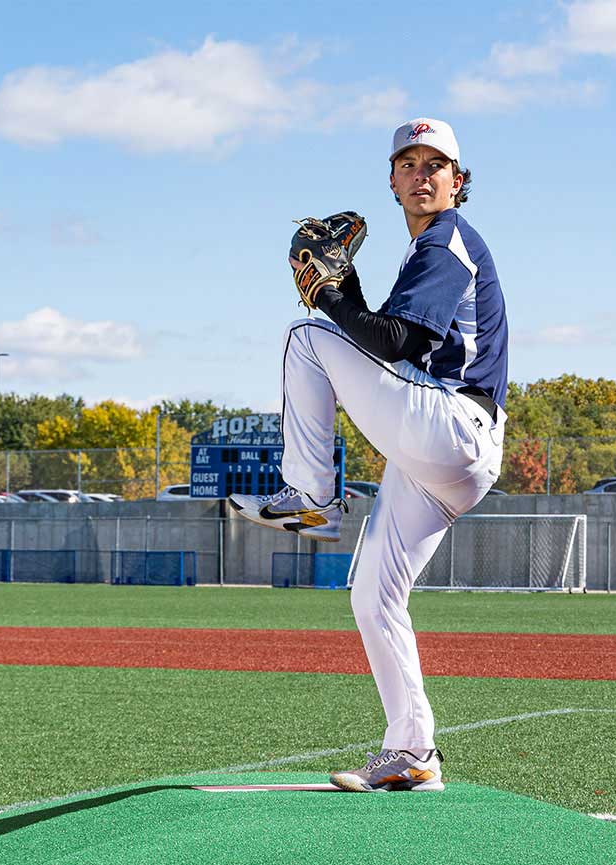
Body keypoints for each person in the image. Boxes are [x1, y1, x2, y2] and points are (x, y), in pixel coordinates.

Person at [229, 117, 508, 793]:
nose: (422, 174)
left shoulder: (446, 244)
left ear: (458, 182)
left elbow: (388, 346)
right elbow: (382, 337)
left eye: (435, 164)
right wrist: (345, 293)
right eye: (408, 164)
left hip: (450, 424)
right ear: (391, 181)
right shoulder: (430, 251)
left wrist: (326, 296)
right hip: (439, 452)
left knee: (304, 339)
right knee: (373, 597)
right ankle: (412, 752)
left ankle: (312, 497)